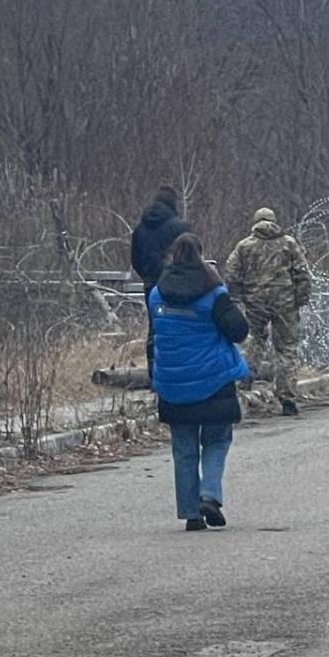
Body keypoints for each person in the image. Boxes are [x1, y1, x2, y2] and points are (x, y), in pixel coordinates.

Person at [149, 233, 249, 531]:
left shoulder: (157, 294)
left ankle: (191, 513)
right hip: (214, 381)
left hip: (173, 383)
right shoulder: (214, 294)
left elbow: (156, 336)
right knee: (217, 440)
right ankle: (210, 494)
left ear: (173, 256)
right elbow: (239, 331)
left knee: (183, 448)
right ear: (202, 256)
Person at [223, 209, 311, 416]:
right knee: (286, 349)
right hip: (285, 302)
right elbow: (303, 274)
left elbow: (231, 273)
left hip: (255, 302)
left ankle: (245, 380)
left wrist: (238, 296)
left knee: (255, 340)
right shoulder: (288, 243)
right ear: (274, 222)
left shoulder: (244, 246)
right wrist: (300, 299)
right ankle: (287, 398)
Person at [130, 186, 191, 374]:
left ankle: (153, 373)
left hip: (151, 285)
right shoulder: (180, 227)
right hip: (176, 285)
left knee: (155, 326)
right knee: (178, 325)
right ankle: (176, 371)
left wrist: (148, 277)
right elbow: (189, 257)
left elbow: (135, 260)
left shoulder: (139, 229)